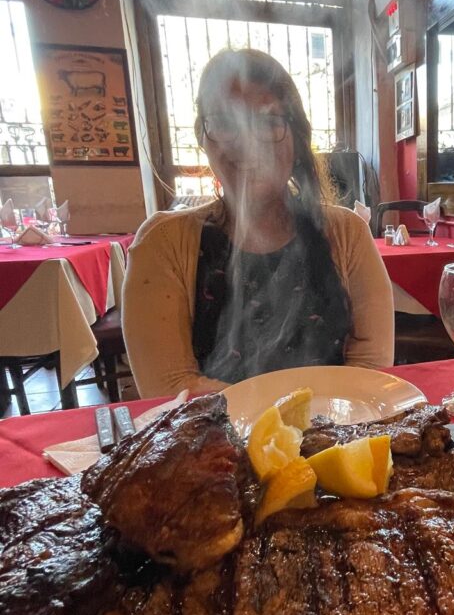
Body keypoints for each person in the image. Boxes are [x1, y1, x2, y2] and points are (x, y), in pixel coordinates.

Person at [123, 48, 394, 398]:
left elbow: (372, 367)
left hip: (335, 443)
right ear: (203, 139)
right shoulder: (163, 243)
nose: (246, 141)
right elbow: (171, 390)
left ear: (297, 138)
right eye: (223, 121)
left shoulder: (346, 233)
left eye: (267, 121)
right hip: (217, 448)